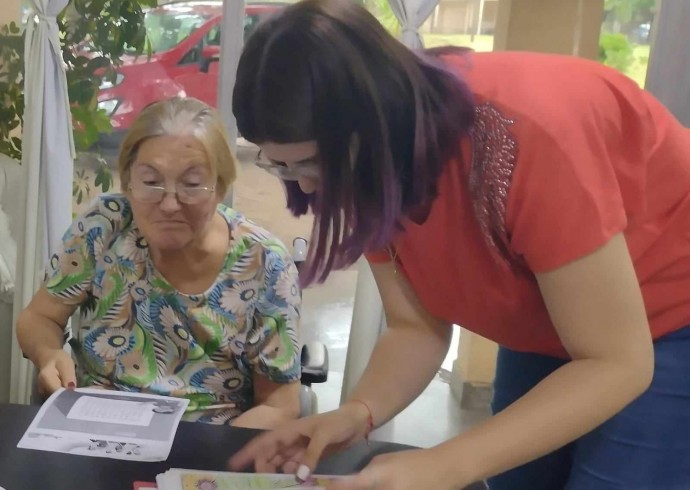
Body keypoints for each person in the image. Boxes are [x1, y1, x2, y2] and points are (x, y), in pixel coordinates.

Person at [228, 0, 690, 488]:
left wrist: (445, 463)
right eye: (281, 166)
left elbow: (617, 361)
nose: (304, 188)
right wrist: (357, 413)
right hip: (550, 324)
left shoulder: (530, 136)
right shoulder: (370, 166)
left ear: (371, 127)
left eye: (311, 164)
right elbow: (414, 327)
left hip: (665, 320)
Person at [16, 97, 302, 429]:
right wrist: (48, 354)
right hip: (97, 428)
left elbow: (279, 405)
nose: (169, 205)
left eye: (192, 185)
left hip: (208, 439)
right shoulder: (105, 225)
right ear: (128, 182)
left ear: (220, 186)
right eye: (151, 182)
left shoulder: (264, 264)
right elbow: (39, 317)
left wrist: (209, 461)